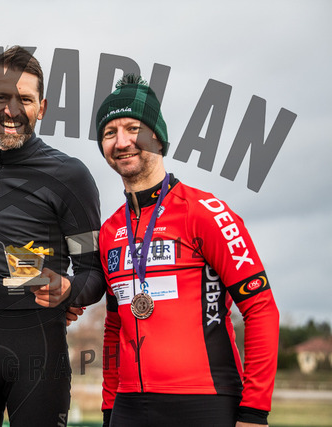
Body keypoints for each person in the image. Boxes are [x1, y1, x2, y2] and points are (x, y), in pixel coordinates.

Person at [96, 74, 280, 427]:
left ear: (158, 137)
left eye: (134, 129)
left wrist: (255, 412)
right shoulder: (109, 230)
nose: (122, 142)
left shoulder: (206, 212)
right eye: (109, 132)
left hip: (205, 401)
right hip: (128, 407)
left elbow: (261, 309)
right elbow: (114, 326)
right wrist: (109, 407)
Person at [0, 46, 104, 426]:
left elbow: (93, 272)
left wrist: (68, 290)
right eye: (0, 97)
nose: (11, 110)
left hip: (36, 345)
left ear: (41, 108)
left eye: (24, 100)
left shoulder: (70, 175)